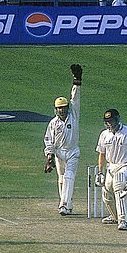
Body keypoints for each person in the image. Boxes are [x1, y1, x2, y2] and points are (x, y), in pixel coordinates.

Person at [95, 109, 127, 231]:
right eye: (107, 121)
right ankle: (115, 216)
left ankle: (123, 220)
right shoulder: (104, 134)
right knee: (106, 193)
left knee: (118, 185)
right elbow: (101, 154)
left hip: (125, 165)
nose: (110, 124)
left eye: (112, 121)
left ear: (117, 119)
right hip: (110, 167)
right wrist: (100, 172)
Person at [44, 64, 82, 215]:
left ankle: (63, 204)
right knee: (61, 179)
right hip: (59, 154)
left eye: (64, 107)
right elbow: (49, 142)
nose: (62, 110)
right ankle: (68, 204)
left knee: (69, 176)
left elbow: (75, 98)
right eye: (59, 108)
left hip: (73, 152)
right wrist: (49, 158)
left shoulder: (74, 114)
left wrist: (77, 81)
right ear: (55, 109)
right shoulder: (52, 123)